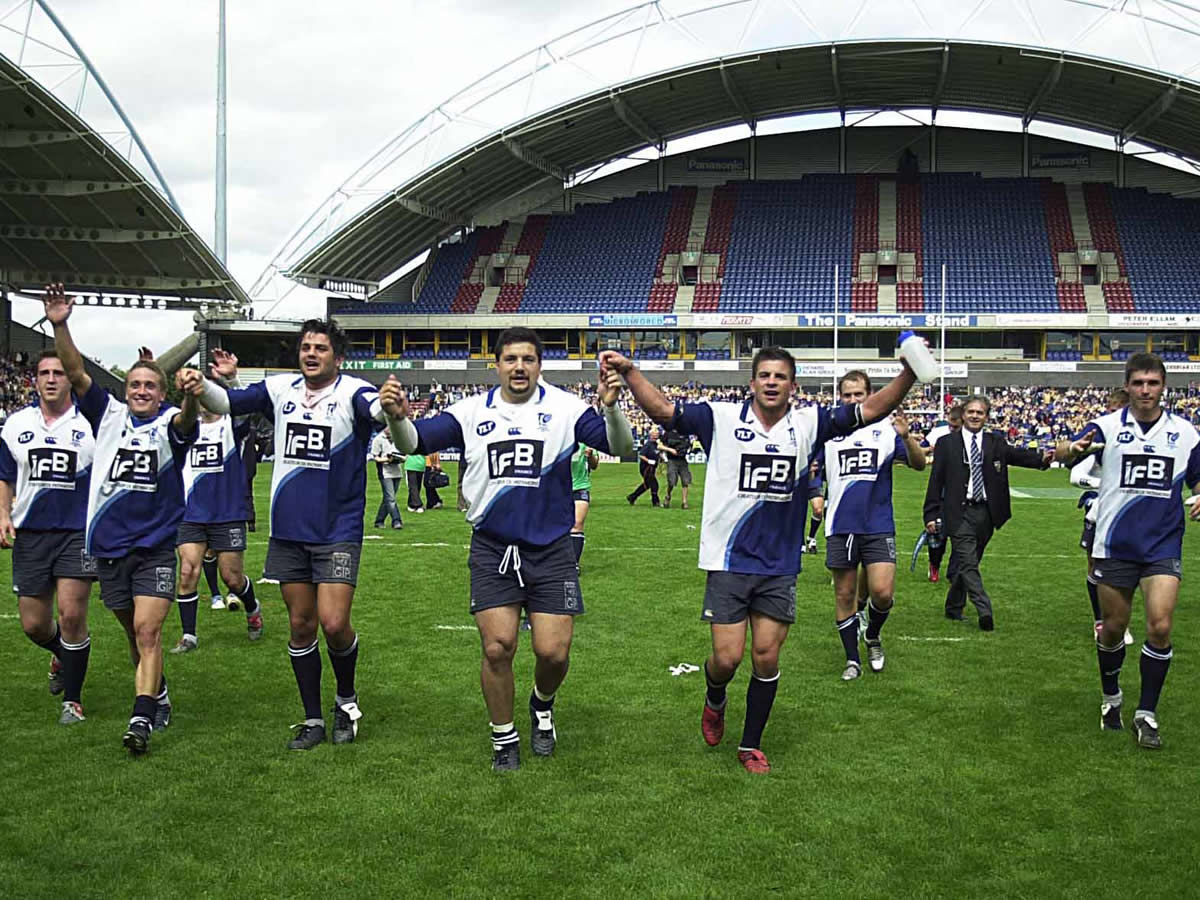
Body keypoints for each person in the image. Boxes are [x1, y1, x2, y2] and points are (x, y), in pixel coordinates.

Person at [605, 345, 918, 774]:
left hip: (778, 565)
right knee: (727, 658)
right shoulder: (721, 418)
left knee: (766, 657)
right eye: (765, 375)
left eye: (781, 376)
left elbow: (868, 409)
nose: (772, 381)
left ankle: (750, 744)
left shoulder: (810, 424)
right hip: (729, 560)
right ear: (752, 383)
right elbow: (665, 412)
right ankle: (715, 695)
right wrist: (630, 371)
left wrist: (909, 375)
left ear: (794, 386)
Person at [381, 327, 633, 772]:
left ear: (540, 365)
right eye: (511, 359)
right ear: (495, 365)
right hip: (493, 547)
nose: (519, 367)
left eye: (529, 359)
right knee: (498, 648)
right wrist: (398, 417)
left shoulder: (565, 409)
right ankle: (504, 738)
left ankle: (542, 704)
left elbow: (621, 447)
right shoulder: (469, 412)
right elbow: (413, 443)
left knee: (553, 653)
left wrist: (610, 410)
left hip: (552, 548)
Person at [180, 318, 407, 751]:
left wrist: (389, 402)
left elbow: (375, 410)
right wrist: (198, 386)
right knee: (301, 626)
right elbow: (225, 401)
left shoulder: (352, 392)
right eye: (306, 346)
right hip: (288, 532)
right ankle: (312, 718)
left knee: (335, 623)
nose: (310, 353)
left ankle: (345, 698)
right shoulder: (279, 389)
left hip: (337, 530)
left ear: (337, 357)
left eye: (320, 347)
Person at [43, 284, 199, 755]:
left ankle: (140, 720)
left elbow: (187, 424)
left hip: (154, 547)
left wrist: (192, 397)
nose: (142, 392)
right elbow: (74, 370)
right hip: (108, 547)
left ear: (162, 392)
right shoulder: (106, 415)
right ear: (125, 389)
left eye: (150, 386)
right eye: (135, 385)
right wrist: (60, 323)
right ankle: (158, 692)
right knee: (135, 635)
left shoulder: (171, 423)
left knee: (150, 631)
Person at [1061, 354, 1200, 749]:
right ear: (1128, 385)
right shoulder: (1105, 427)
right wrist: (1070, 448)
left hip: (1162, 543)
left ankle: (1147, 713)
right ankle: (1111, 696)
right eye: (1138, 383)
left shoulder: (1185, 433)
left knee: (1159, 626)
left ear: (1163, 387)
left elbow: (1198, 477)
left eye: (1152, 383)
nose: (1145, 390)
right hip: (1114, 543)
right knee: (1114, 630)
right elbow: (1068, 453)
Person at [0, 349, 97, 725]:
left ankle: (72, 700)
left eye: (59, 372)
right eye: (45, 373)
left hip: (76, 532)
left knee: (72, 615)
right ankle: (62, 653)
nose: (52, 378)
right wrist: (3, 514)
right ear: (35, 380)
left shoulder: (89, 423)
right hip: (31, 534)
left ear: (69, 379)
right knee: (34, 625)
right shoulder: (15, 425)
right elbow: (5, 475)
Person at [821, 371, 926, 680]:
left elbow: (919, 464)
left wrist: (907, 436)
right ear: (840, 398)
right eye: (847, 395)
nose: (853, 400)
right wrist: (815, 493)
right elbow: (812, 468)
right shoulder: (829, 430)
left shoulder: (886, 429)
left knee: (881, 593)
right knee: (844, 595)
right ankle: (852, 659)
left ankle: (873, 635)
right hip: (840, 524)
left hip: (878, 523)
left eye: (859, 395)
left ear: (870, 396)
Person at [923, 395, 1051, 631]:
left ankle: (953, 606)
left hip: (987, 512)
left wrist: (1042, 459)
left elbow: (1016, 455)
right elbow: (936, 480)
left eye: (979, 413)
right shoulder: (946, 443)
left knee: (968, 562)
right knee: (968, 562)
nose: (974, 416)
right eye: (970, 412)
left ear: (986, 417)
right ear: (963, 415)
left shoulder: (995, 442)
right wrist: (931, 514)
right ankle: (984, 610)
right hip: (958, 511)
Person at [170, 349, 263, 653]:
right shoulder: (183, 426)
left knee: (232, 578)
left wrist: (233, 379)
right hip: (191, 512)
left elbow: (245, 405)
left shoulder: (230, 426)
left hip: (227, 512)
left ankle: (252, 609)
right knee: (187, 571)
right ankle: (189, 635)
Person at [1068, 388, 1131, 644]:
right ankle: (1101, 620)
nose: (1112, 415)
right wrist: (1104, 485)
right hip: (1098, 515)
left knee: (1126, 571)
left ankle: (1120, 621)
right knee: (1095, 567)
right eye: (1110, 409)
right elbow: (1075, 476)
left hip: (1130, 517)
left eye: (1118, 410)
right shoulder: (1100, 442)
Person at [921, 404, 962, 582]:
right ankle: (934, 563)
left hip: (962, 494)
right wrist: (928, 450)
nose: (952, 429)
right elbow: (921, 447)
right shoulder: (940, 434)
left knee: (961, 537)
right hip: (942, 491)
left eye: (956, 426)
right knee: (937, 533)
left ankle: (955, 572)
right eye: (951, 426)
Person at [570, 443, 599, 573]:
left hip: (580, 487)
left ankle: (573, 564)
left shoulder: (586, 441)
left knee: (577, 523)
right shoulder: (557, 436)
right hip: (557, 488)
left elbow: (595, 465)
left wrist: (591, 455)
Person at [370, 426, 404, 529]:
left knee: (388, 498)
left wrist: (400, 458)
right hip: (385, 472)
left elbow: (404, 454)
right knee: (391, 498)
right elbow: (375, 457)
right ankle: (396, 520)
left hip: (397, 471)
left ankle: (379, 520)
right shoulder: (378, 439)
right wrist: (387, 459)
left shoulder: (398, 438)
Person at [627, 426, 661, 506]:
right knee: (654, 485)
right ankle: (655, 502)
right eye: (654, 434)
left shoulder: (656, 444)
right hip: (646, 468)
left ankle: (632, 496)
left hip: (652, 468)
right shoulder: (648, 445)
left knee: (647, 484)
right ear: (651, 435)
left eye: (657, 434)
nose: (656, 436)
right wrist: (648, 461)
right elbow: (641, 455)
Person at [659, 428, 692, 509]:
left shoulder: (686, 433)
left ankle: (684, 502)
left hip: (682, 460)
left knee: (686, 481)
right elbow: (659, 446)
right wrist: (670, 450)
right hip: (672, 460)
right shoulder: (668, 433)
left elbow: (689, 445)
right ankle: (668, 496)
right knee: (672, 481)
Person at [404, 444, 426, 513]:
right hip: (411, 464)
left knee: (417, 486)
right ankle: (418, 505)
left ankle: (411, 504)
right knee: (413, 486)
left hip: (420, 465)